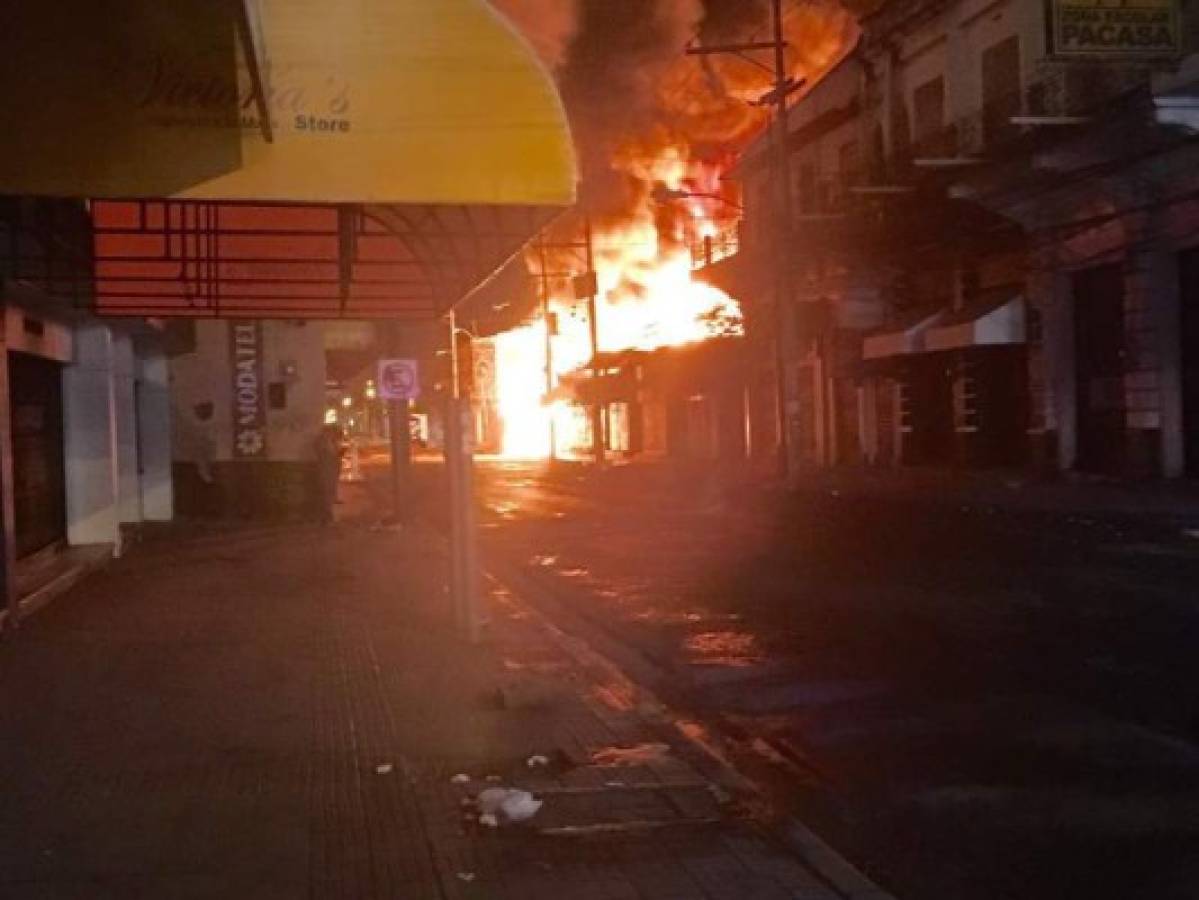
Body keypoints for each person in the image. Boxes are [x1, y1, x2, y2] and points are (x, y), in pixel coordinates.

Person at [314, 424, 346, 525]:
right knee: (327, 493)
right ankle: (327, 516)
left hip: (329, 469)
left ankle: (327, 515)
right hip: (327, 469)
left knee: (329, 492)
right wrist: (339, 452)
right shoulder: (324, 441)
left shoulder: (326, 441)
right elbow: (331, 453)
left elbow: (333, 453)